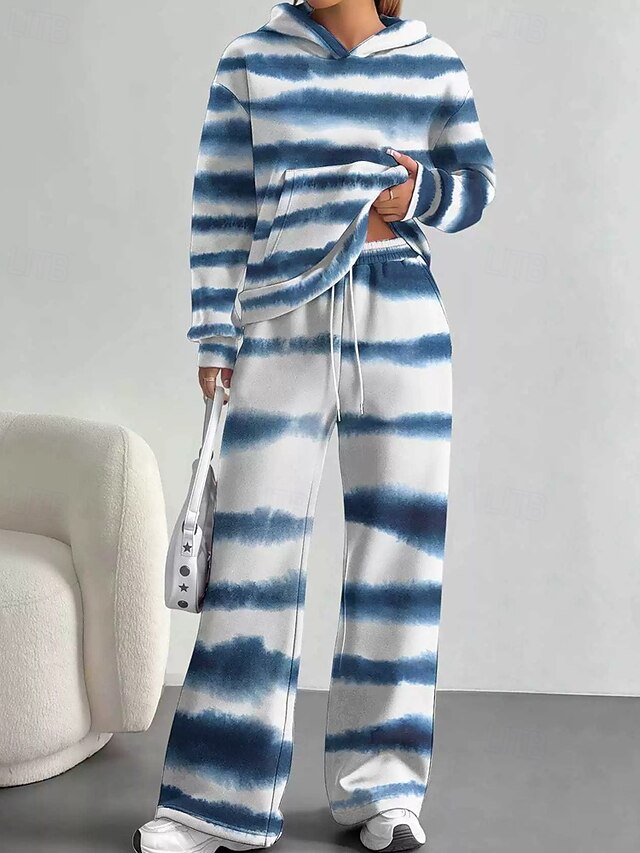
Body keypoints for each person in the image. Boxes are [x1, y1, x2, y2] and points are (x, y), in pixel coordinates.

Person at [134, 1, 495, 851]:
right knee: (251, 565)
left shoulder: (434, 63)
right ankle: (211, 801)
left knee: (399, 564)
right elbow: (222, 204)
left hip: (401, 320)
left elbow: (476, 185)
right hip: (279, 319)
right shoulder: (250, 59)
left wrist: (418, 193)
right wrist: (215, 334)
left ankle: (385, 791)